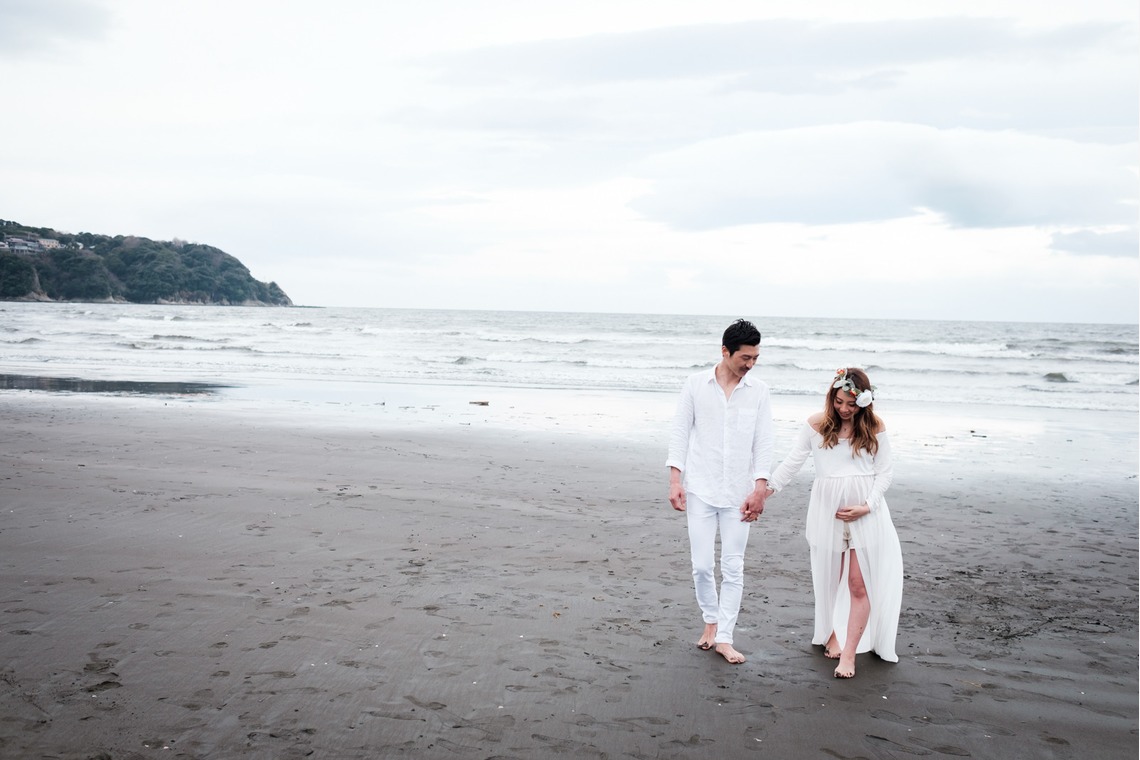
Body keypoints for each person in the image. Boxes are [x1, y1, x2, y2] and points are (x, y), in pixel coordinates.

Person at [765, 367, 903, 678]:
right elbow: (793, 462)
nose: (844, 409)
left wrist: (867, 506)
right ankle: (834, 632)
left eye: (851, 404)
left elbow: (885, 472)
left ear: (864, 403)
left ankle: (849, 655)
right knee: (831, 578)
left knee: (857, 582)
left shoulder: (875, 428)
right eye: (839, 401)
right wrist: (767, 491)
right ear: (832, 397)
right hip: (827, 512)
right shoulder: (816, 425)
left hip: (866, 514)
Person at [667, 319, 774, 664]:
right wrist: (675, 480)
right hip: (700, 488)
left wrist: (760, 489)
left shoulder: (759, 390)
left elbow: (764, 443)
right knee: (701, 566)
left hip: (738, 494)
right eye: (745, 357)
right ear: (725, 352)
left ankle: (725, 637)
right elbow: (680, 432)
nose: (750, 364)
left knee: (733, 567)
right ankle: (710, 621)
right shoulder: (696, 384)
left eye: (755, 358)